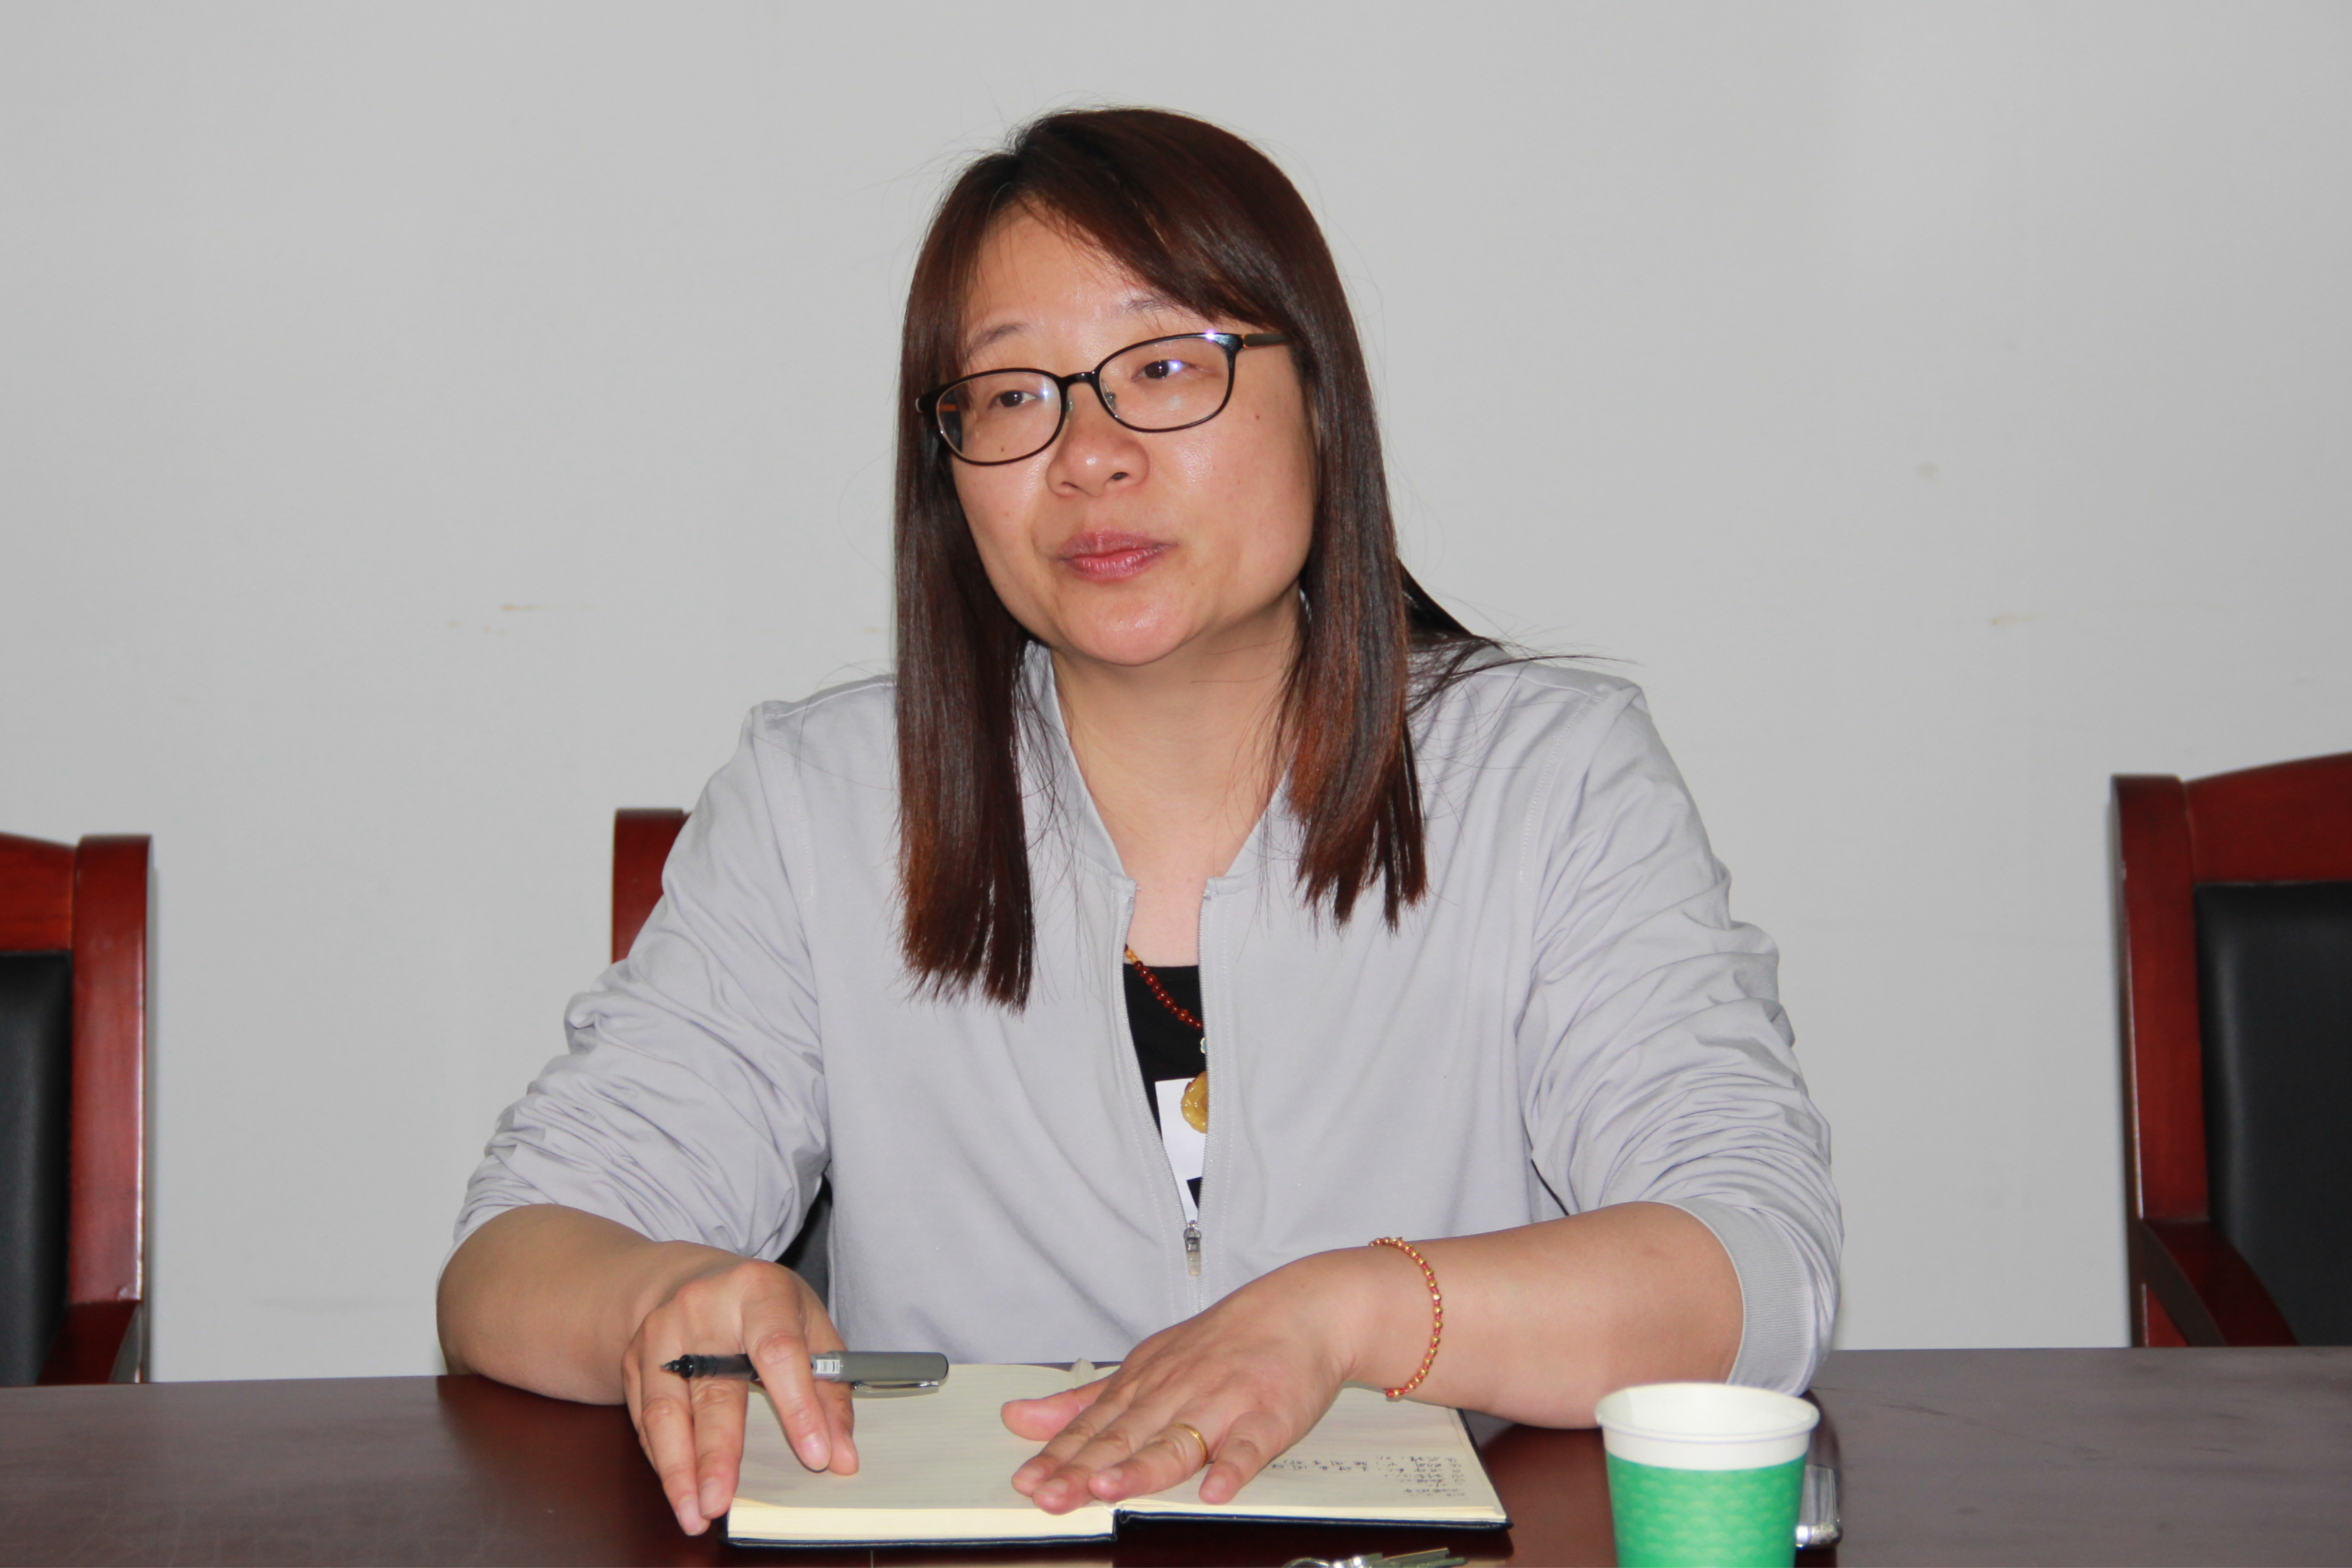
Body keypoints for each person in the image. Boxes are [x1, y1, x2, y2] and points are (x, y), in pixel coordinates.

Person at [437, 107, 1839, 1539]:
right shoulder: (826, 807)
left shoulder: (1548, 781)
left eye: (1165, 367)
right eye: (1010, 396)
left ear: (1322, 404)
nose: (1088, 456)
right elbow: (507, 1262)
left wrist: (1347, 1315)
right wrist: (661, 1298)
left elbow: (1754, 1268)